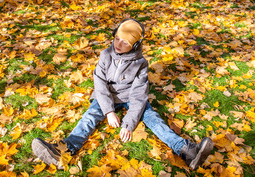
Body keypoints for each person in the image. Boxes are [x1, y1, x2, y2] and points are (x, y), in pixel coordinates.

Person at [32, 19, 213, 170]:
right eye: (117, 38)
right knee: (89, 116)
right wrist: (109, 111)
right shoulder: (105, 55)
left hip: (129, 97)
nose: (118, 44)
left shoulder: (140, 64)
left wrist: (129, 123)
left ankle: (187, 151)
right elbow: (100, 84)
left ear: (135, 44)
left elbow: (139, 95)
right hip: (107, 96)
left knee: (153, 118)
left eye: (125, 42)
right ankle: (64, 151)